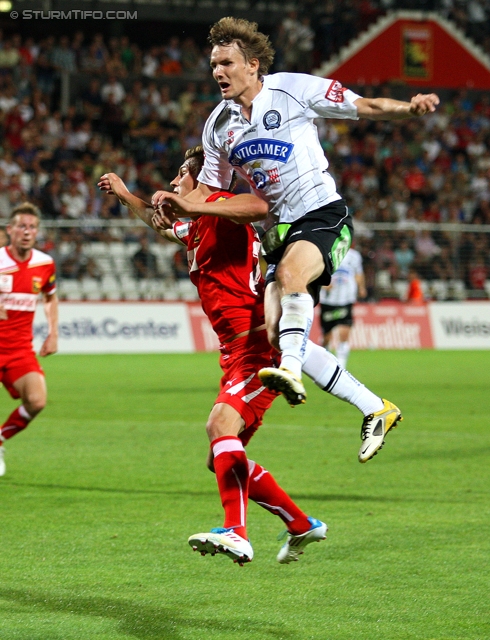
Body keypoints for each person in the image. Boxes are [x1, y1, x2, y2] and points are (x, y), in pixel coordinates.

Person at [152, 17, 437, 455]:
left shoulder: (292, 89)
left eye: (226, 62)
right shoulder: (218, 126)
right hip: (278, 233)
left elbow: (366, 106)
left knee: (289, 278)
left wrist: (408, 108)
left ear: (252, 65)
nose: (217, 72)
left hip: (323, 213)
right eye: (213, 64)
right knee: (273, 331)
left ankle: (290, 372)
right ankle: (374, 407)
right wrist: (173, 202)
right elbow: (212, 189)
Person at [101, 148, 395, 564]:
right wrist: (124, 193)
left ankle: (237, 533)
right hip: (233, 352)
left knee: (219, 424)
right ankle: (300, 524)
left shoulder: (221, 208)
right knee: (220, 455)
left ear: (203, 179)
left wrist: (194, 200)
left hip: (257, 346)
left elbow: (258, 205)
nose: (173, 185)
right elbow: (157, 221)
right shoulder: (197, 226)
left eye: (180, 176)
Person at [0, 203, 58, 476]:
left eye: (32, 227)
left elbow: (50, 296)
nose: (27, 232)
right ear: (9, 230)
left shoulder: (44, 263)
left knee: (36, 401)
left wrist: (53, 332)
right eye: (21, 226)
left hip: (20, 350)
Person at [319, 245, 366, 368]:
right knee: (326, 336)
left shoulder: (354, 256)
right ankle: (325, 361)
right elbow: (316, 273)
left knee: (344, 331)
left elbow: (358, 273)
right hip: (328, 300)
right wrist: (323, 285)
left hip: (346, 298)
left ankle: (341, 365)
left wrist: (361, 287)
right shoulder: (325, 252)